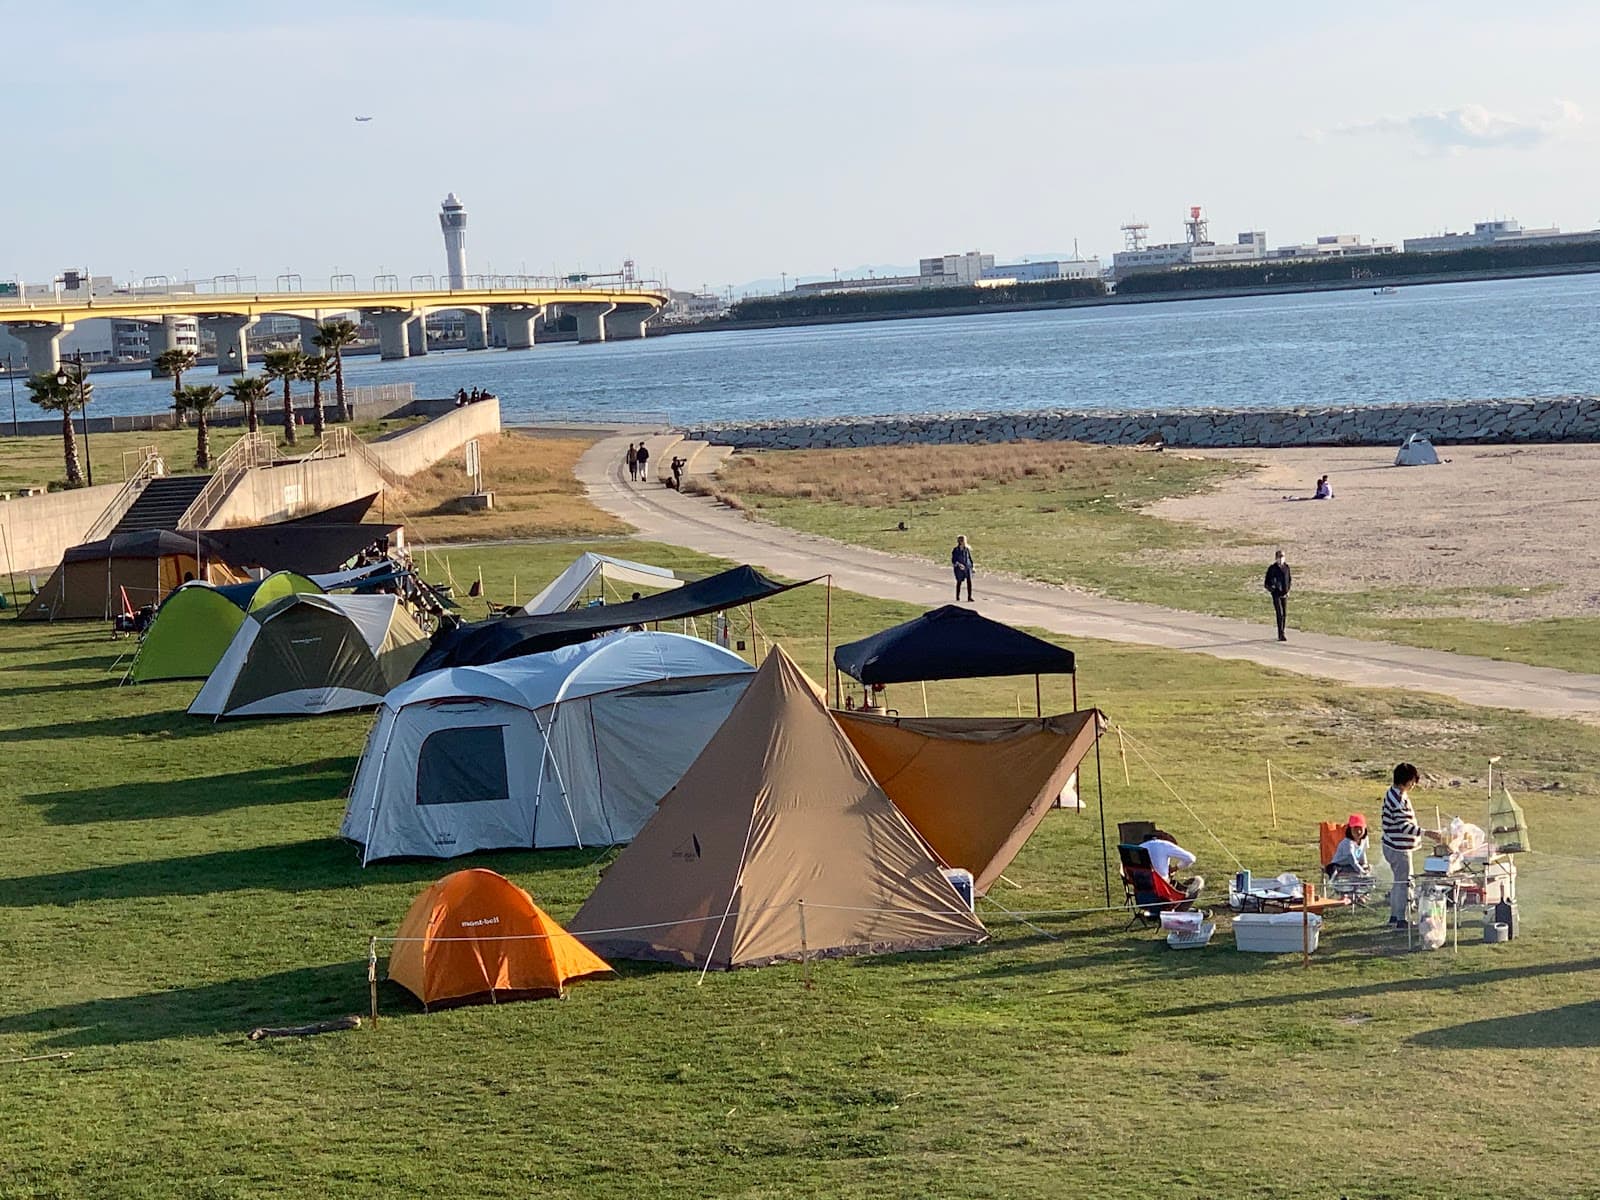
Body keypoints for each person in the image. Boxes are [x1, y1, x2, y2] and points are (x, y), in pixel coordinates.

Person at [1380, 763, 1442, 929]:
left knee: (1398, 882)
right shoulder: (1398, 798)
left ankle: (1395, 916)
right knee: (1403, 883)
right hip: (1398, 848)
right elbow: (1404, 826)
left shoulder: (1395, 793)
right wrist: (1426, 832)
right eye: (1412, 781)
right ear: (1405, 781)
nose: (1413, 785)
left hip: (1394, 845)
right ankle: (1401, 919)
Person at [1139, 830, 1204, 903]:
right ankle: (1180, 907)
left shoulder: (1140, 847)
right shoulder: (1164, 845)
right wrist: (1175, 868)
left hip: (1141, 888)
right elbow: (1191, 858)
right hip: (1162, 890)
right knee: (1199, 881)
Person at [1325, 813, 1372, 879]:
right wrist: (1362, 871)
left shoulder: (1365, 839)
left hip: (1351, 866)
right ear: (1350, 829)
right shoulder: (1348, 843)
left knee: (1369, 868)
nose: (1358, 831)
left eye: (1360, 828)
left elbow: (1363, 852)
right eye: (1355, 828)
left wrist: (1365, 865)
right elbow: (1352, 860)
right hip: (1338, 866)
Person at [1264, 549, 1291, 642]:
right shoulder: (1272, 569)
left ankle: (1283, 630)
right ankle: (1281, 634)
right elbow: (1266, 583)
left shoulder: (1286, 567)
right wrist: (1273, 590)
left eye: (1282, 556)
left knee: (1284, 614)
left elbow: (1289, 580)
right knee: (1280, 614)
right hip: (1276, 595)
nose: (1281, 559)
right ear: (1276, 558)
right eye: (1279, 557)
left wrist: (1288, 590)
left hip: (1284, 594)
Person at [951, 535, 974, 602]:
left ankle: (969, 597)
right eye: (964, 540)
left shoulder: (966, 549)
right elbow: (953, 560)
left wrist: (972, 567)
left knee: (969, 582)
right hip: (959, 569)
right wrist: (958, 564)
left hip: (967, 567)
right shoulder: (955, 550)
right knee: (959, 582)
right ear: (960, 541)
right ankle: (957, 597)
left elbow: (969, 558)